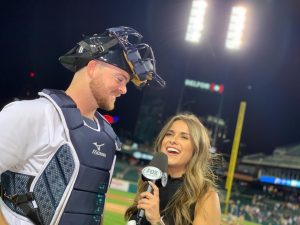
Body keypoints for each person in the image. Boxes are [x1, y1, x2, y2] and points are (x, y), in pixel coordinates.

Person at [0, 26, 165, 225]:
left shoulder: (108, 138)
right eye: (120, 79)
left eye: (127, 83)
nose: (123, 90)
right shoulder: (32, 114)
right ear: (93, 67)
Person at [125, 113, 221, 225]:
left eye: (184, 137)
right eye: (169, 134)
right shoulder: (151, 184)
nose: (173, 140)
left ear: (196, 149)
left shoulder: (206, 196)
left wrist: (156, 221)